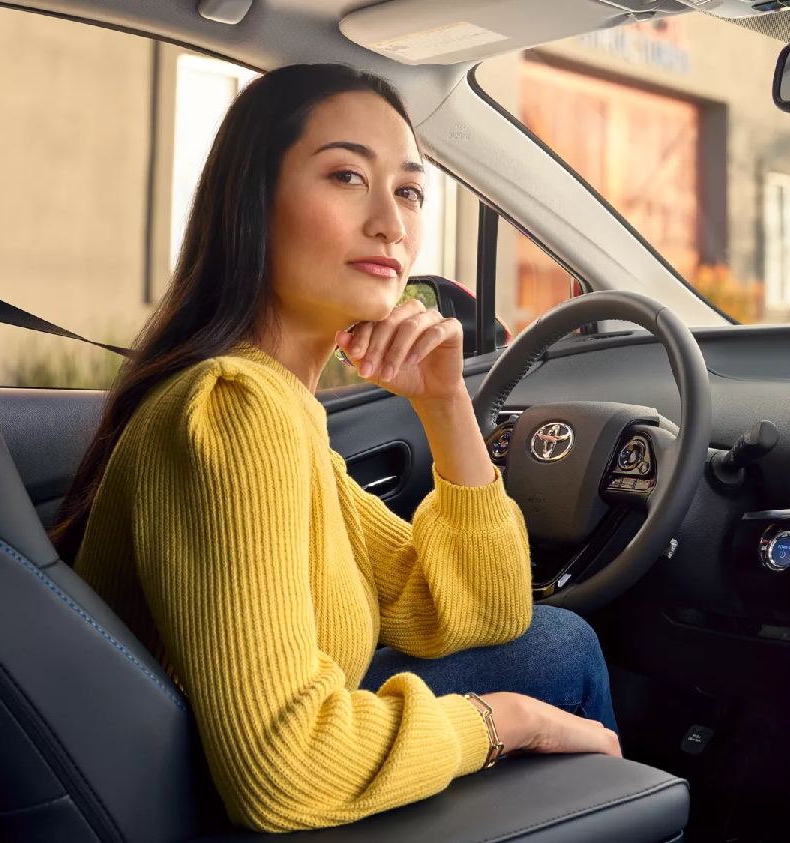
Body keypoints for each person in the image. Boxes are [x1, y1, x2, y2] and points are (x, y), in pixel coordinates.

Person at [47, 64, 620, 834]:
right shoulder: (235, 413)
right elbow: (281, 769)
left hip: (196, 784)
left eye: (410, 191)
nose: (391, 222)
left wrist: (446, 405)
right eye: (347, 176)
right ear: (253, 203)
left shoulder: (283, 413)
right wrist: (503, 721)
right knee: (560, 666)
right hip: (203, 809)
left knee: (555, 643)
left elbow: (486, 610)